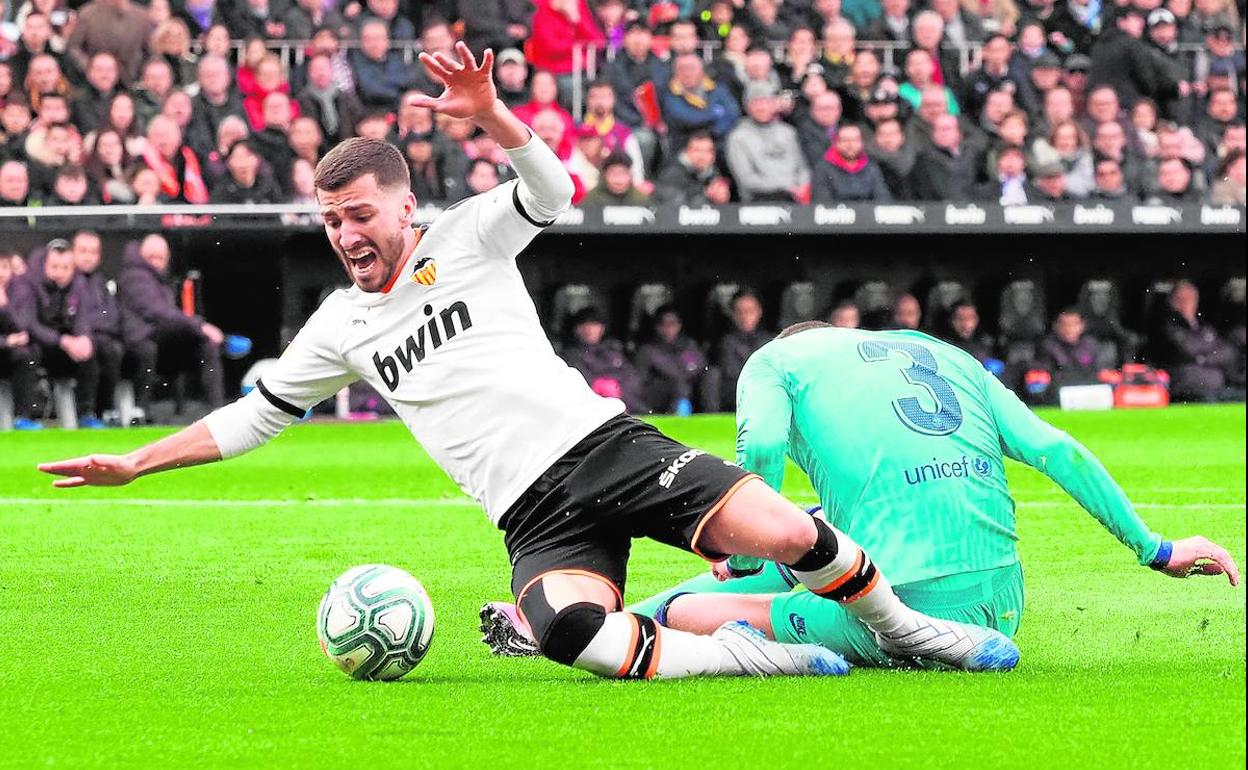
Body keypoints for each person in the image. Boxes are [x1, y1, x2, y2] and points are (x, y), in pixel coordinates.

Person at [40, 43, 1016, 682]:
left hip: (603, 446)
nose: (345, 233)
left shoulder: (464, 237)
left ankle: (912, 633)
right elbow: (256, 414)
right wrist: (137, 459)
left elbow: (555, 185)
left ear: (402, 208)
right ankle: (754, 657)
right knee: (567, 633)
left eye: (361, 214)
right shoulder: (340, 324)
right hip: (532, 511)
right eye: (331, 220)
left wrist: (497, 118)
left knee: (784, 533)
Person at [543, 321, 1238, 669]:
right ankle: (613, 617)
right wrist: (1158, 548)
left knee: (694, 605)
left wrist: (749, 559)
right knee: (814, 532)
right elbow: (1056, 449)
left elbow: (757, 457)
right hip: (1004, 602)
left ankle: (790, 659)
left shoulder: (775, 363)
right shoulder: (941, 351)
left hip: (892, 605)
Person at [116, 233, 225, 415]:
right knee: (151, 349)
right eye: (152, 257)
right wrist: (199, 326)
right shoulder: (134, 275)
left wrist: (197, 331)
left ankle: (216, 409)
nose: (156, 262)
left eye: (161, 258)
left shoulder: (159, 278)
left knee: (206, 344)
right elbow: (158, 312)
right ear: (142, 255)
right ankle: (141, 412)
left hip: (158, 338)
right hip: (137, 341)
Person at [6, 239, 104, 428]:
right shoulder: (30, 284)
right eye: (54, 266)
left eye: (65, 267)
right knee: (28, 354)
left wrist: (84, 338)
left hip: (66, 347)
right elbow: (30, 324)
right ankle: (24, 417)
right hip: (41, 345)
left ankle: (87, 414)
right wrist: (62, 341)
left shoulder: (80, 284)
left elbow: (83, 318)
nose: (59, 272)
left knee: (93, 351)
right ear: (46, 265)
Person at [1155, 279, 1242, 402]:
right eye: (1181, 299)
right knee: (1208, 401)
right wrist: (1210, 351)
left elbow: (1228, 352)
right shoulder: (1168, 326)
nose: (1186, 303)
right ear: (1172, 302)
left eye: (1190, 298)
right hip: (1188, 390)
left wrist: (1203, 359)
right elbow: (1186, 349)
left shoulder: (1205, 327)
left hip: (1218, 389)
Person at [724, 82, 810, 202]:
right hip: (758, 202)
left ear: (775, 104)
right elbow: (746, 179)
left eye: (767, 101)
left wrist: (802, 186)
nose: (762, 107)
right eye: (756, 102)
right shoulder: (738, 137)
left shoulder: (788, 132)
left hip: (793, 199)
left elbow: (802, 168)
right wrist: (785, 187)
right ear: (747, 106)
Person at [70, 230, 124, 421]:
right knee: (89, 351)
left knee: (113, 351)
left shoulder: (103, 281)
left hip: (104, 338)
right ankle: (86, 412)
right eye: (83, 251)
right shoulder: (67, 280)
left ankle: (105, 411)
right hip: (75, 340)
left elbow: (113, 315)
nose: (88, 257)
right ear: (73, 252)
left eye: (93, 252)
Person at [559, 306, 647, 413]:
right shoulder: (570, 355)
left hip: (629, 405)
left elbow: (633, 378)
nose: (590, 329)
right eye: (585, 325)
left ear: (602, 328)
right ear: (576, 329)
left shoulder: (613, 351)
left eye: (595, 325)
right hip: (593, 409)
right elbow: (581, 382)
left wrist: (619, 388)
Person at [715, 290, 772, 411]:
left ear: (759, 312)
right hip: (736, 394)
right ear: (732, 314)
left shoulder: (770, 341)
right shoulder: (726, 342)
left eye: (750, 311)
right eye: (740, 312)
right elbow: (731, 373)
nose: (745, 317)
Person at [0, 249, 38, 430]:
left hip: (11, 354)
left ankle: (23, 417)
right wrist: (6, 341)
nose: (0, 273)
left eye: (4, 267)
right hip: (5, 345)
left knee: (27, 355)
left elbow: (23, 326)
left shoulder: (21, 291)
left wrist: (5, 305)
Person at [813, 123, 892, 202]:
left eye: (855, 140)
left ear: (862, 143)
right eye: (845, 140)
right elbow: (822, 202)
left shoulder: (871, 167)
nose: (850, 145)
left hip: (867, 212)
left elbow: (883, 199)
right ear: (836, 143)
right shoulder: (823, 168)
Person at [655, 131, 732, 206]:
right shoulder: (672, 173)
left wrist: (721, 196)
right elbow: (676, 203)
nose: (702, 156)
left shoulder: (713, 174)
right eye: (697, 150)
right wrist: (706, 194)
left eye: (708, 151)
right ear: (687, 151)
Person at [1037, 308, 1110, 387]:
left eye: (1074, 324)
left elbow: (1101, 371)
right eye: (1064, 325)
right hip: (1059, 390)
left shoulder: (1091, 345)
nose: (1069, 329)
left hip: (1088, 389)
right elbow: (1044, 375)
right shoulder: (1048, 346)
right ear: (1056, 327)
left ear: (1082, 326)